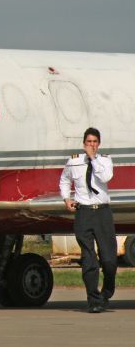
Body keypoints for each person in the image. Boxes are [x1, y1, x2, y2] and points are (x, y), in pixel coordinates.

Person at [59, 127, 116, 313]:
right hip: (83, 213)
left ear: (98, 144)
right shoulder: (74, 161)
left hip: (102, 213)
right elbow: (65, 180)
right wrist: (66, 198)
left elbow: (106, 177)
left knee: (108, 260)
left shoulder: (105, 161)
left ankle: (107, 290)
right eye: (89, 142)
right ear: (83, 143)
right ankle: (93, 299)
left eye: (95, 142)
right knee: (89, 258)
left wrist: (93, 158)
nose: (91, 145)